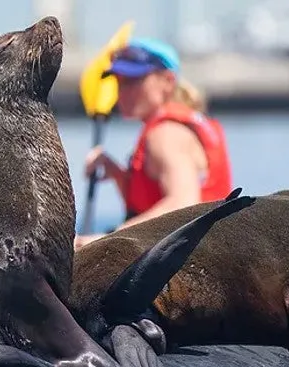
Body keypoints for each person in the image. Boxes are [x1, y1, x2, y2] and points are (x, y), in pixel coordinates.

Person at [75, 37, 233, 250]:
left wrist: (105, 241)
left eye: (133, 82)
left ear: (167, 81)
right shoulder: (178, 124)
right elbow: (147, 204)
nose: (122, 93)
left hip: (197, 255)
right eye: (119, 83)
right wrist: (119, 175)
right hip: (209, 247)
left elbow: (183, 204)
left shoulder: (166, 133)